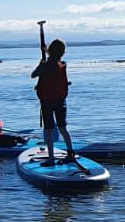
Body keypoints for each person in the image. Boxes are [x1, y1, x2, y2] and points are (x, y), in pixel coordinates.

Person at [31, 39, 77, 167]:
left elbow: (33, 75)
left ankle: (51, 159)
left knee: (49, 129)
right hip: (60, 101)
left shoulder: (45, 65)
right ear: (63, 53)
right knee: (63, 128)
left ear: (50, 51)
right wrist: (46, 51)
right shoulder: (63, 64)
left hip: (47, 101)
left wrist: (40, 64)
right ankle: (70, 153)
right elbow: (54, 60)